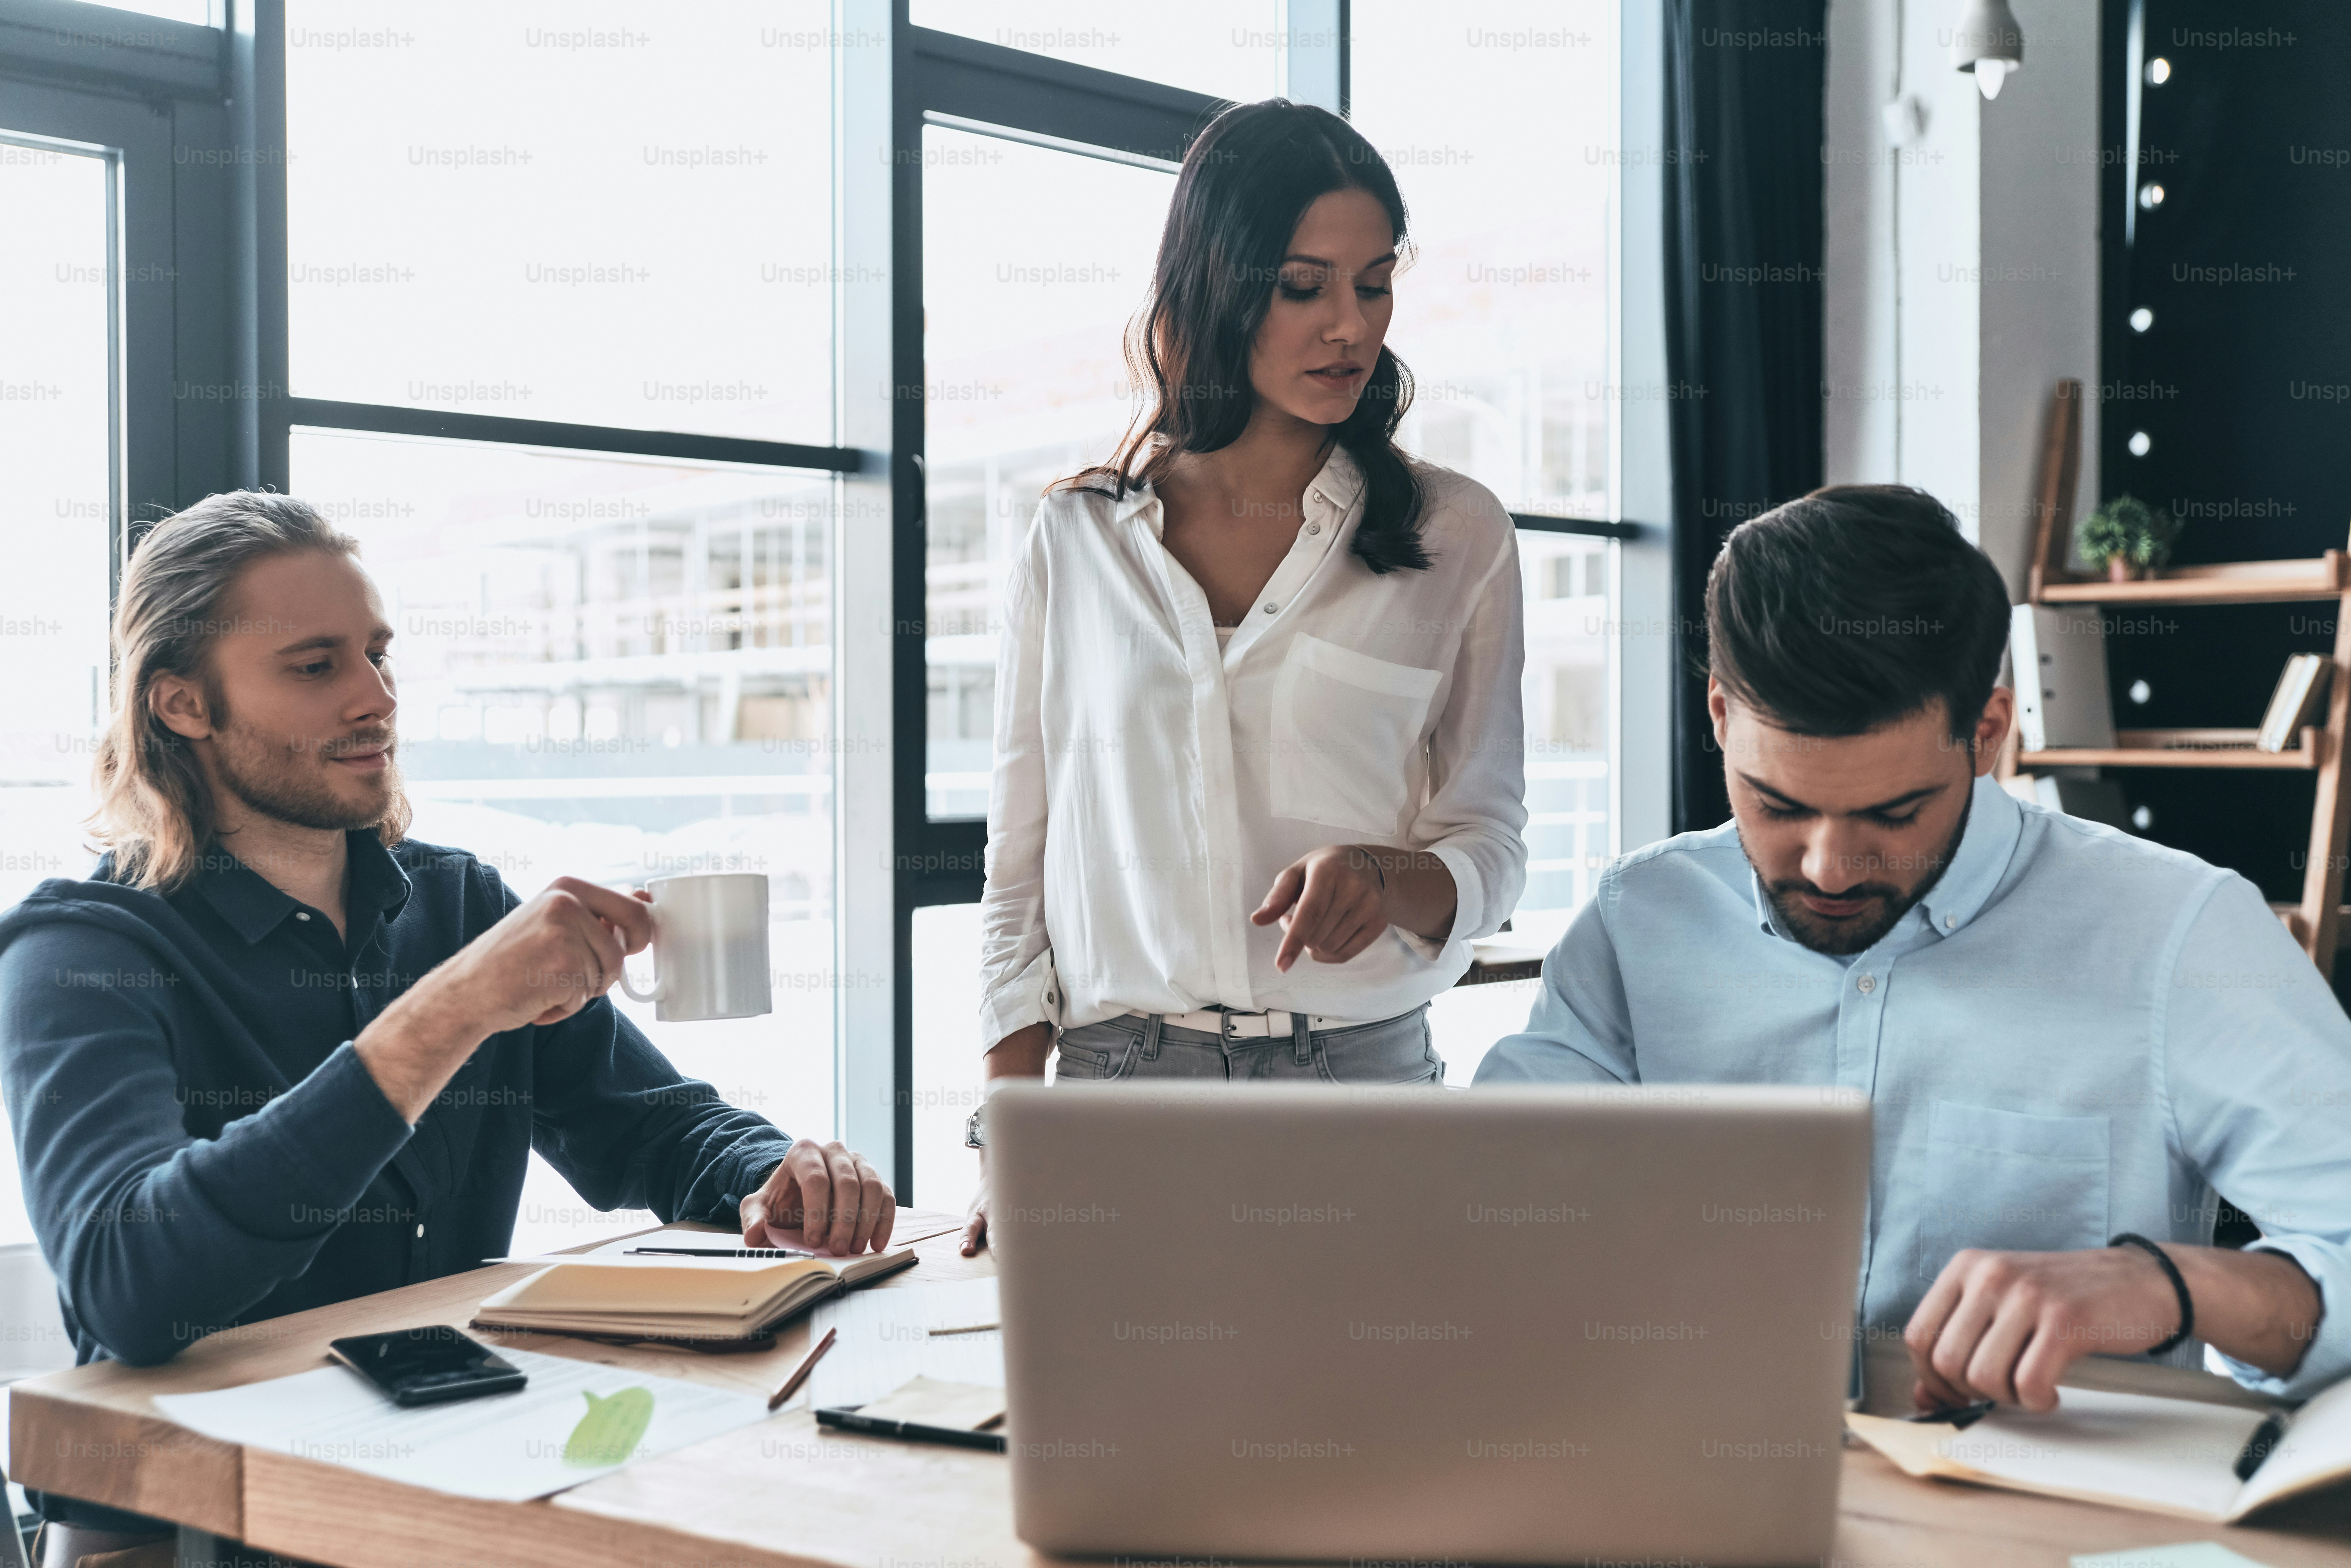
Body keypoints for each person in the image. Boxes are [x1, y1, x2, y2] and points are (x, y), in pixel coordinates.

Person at [0, 493, 895, 1558]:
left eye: (378, 656)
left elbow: (654, 1127)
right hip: (208, 1520)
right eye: (315, 666)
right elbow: (128, 1283)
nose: (376, 698)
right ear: (183, 704)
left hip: (454, 1468)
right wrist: (457, 1007)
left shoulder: (456, 904)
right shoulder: (80, 951)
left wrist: (775, 1176)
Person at [1479, 484, 2351, 1410]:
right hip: (1682, 1464)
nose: (1829, 867)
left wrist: (2168, 1285)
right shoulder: (1637, 921)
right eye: (1777, 804)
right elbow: (1483, 1210)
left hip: (2035, 1493)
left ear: (1987, 732)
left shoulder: (2181, 933)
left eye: (1893, 814)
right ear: (1720, 716)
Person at [961, 99, 1528, 1254]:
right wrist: (1010, 1144)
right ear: (1216, 285)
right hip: (1119, 1096)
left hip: (1363, 1088)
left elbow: (1491, 844)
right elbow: (1019, 868)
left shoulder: (1456, 533)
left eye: (1374, 284)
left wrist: (1389, 878)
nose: (1349, 327)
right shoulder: (1075, 539)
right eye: (1301, 286)